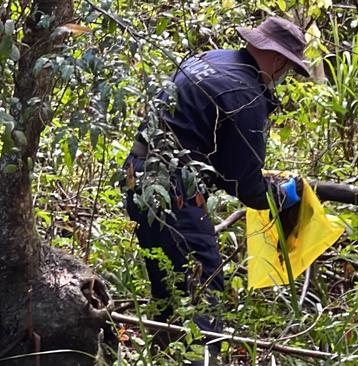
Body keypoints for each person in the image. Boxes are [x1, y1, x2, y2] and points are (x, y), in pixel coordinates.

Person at [123, 16, 308, 362]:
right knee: (202, 291)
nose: (283, 78)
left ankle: (168, 356)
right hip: (174, 192)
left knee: (170, 290)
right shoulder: (247, 96)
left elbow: (209, 149)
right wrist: (284, 194)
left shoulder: (210, 59)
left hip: (137, 178)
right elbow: (246, 187)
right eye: (287, 70)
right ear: (280, 60)